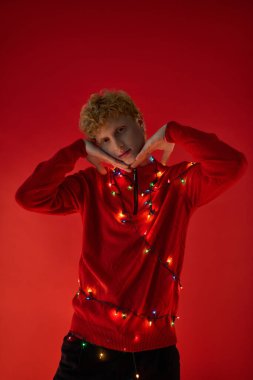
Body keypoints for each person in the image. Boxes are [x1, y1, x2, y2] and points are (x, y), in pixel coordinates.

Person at [15, 89, 247, 380]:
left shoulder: (178, 184)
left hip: (155, 354)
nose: (117, 145)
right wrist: (76, 151)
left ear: (139, 122)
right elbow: (29, 196)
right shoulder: (90, 186)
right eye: (104, 140)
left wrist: (174, 132)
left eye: (121, 130)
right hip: (88, 348)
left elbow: (232, 165)